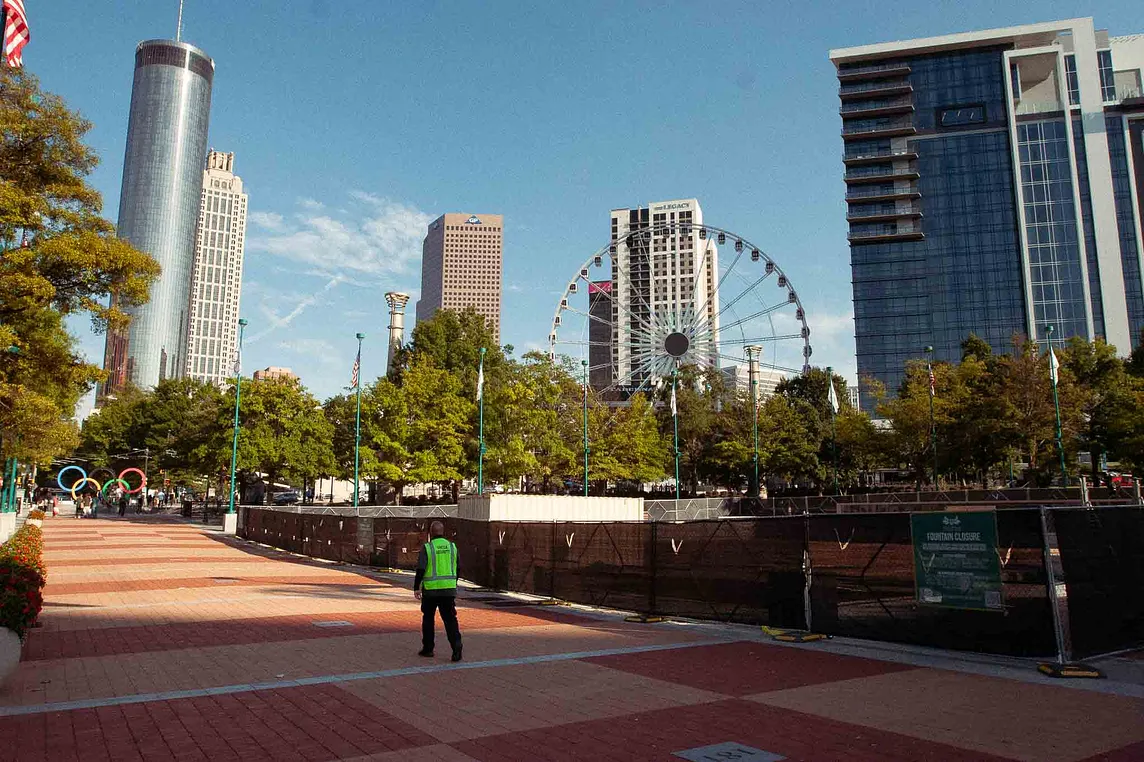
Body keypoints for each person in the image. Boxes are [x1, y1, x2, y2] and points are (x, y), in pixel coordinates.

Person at [413, 520, 462, 662]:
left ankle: (428, 649)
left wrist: (417, 587)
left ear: (430, 532)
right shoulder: (452, 547)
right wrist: (453, 582)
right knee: (450, 620)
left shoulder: (428, 548)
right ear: (443, 531)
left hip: (431, 591)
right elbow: (458, 568)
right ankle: (456, 647)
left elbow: (421, 569)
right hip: (448, 590)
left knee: (428, 619)